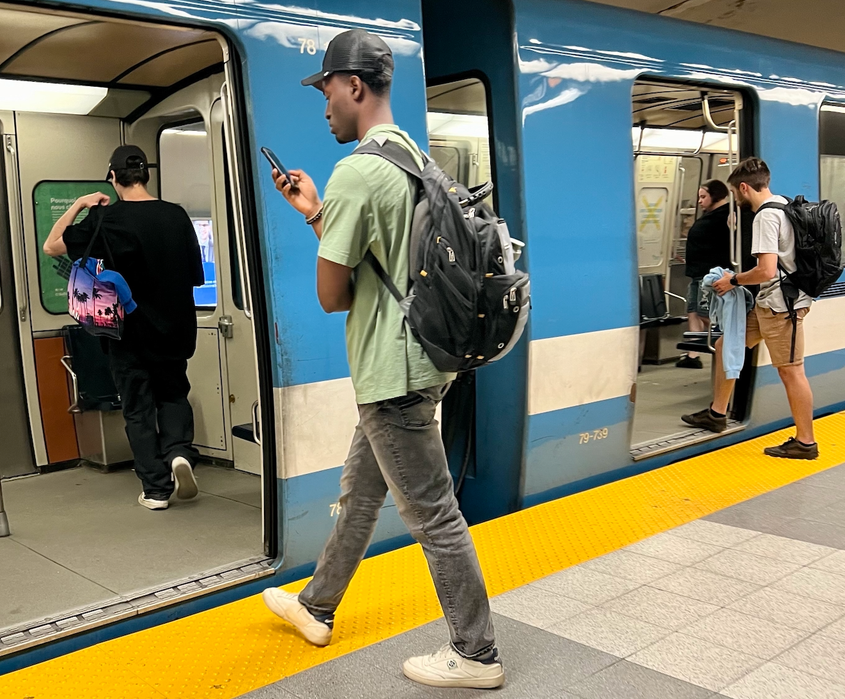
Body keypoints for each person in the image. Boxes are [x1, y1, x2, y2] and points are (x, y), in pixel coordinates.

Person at [258, 29, 504, 690]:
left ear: (354, 86)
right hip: (420, 361)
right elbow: (388, 256)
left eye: (327, 92)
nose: (324, 107)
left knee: (432, 513)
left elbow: (332, 294)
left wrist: (327, 215)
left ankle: (476, 652)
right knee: (360, 491)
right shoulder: (410, 158)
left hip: (390, 373)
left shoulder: (358, 171)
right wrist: (317, 214)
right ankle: (316, 605)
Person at [43, 145, 204, 510]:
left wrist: (82, 204)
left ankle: (157, 490)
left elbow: (52, 246)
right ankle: (179, 452)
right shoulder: (176, 215)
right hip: (176, 330)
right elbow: (195, 275)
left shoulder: (108, 219)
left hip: (127, 333)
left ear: (113, 178)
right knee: (174, 394)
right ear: (146, 174)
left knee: (138, 409)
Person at [682, 157, 818, 459]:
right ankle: (717, 412)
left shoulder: (765, 218)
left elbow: (766, 270)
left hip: (783, 306)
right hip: (769, 304)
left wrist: (734, 280)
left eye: (736, 192)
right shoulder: (783, 203)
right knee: (725, 343)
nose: (737, 199)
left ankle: (806, 442)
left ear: (744, 188)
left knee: (791, 371)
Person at [677, 180, 733, 369]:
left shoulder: (727, 215)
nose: (700, 201)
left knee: (705, 313)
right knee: (692, 311)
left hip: (710, 274)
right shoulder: (709, 215)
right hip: (697, 272)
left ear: (715, 196)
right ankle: (693, 355)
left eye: (703, 197)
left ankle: (727, 340)